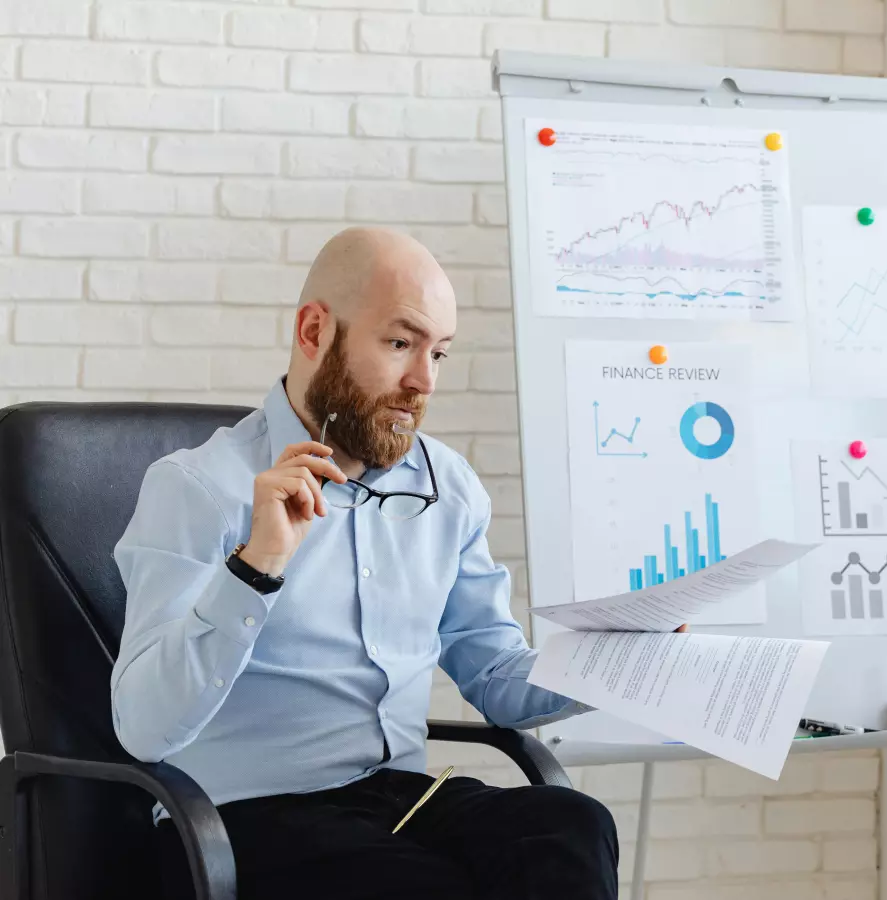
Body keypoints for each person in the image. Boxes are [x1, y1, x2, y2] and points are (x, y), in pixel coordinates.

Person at [111, 227, 618, 900]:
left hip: (400, 803)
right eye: (401, 344)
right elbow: (143, 728)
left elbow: (495, 674)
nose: (423, 381)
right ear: (315, 331)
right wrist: (255, 566)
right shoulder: (199, 487)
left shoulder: (448, 485)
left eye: (439, 353)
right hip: (242, 815)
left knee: (568, 825)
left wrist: (624, 665)